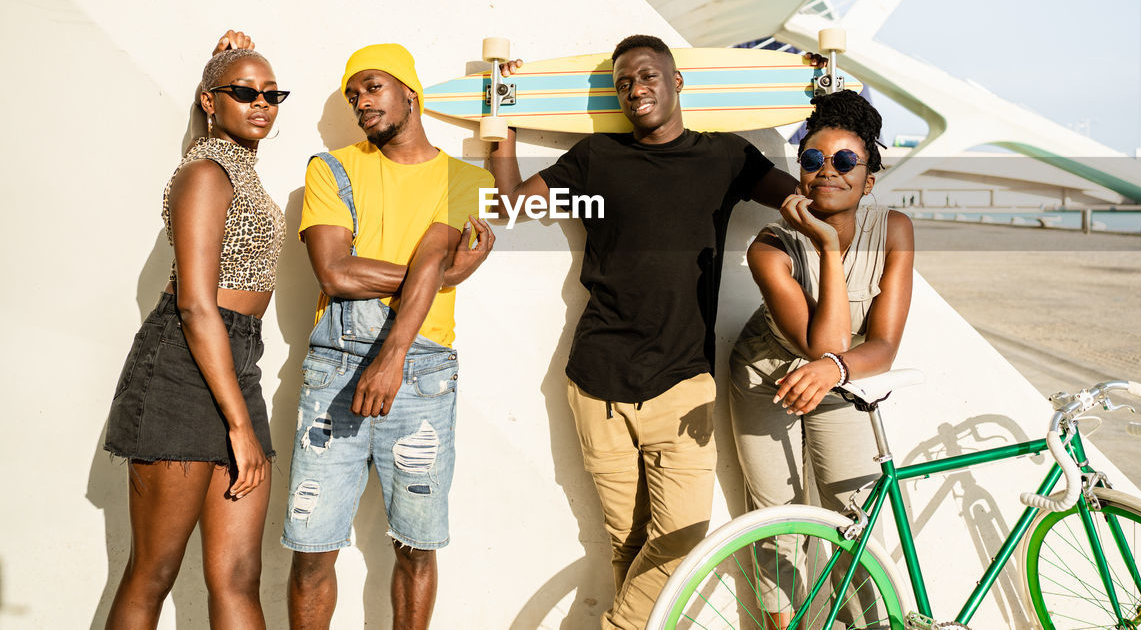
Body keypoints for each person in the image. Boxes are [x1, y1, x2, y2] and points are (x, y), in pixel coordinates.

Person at [488, 34, 799, 630]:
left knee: (681, 542)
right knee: (627, 545)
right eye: (623, 83)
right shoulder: (596, 159)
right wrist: (502, 118)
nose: (635, 90)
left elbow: (804, 204)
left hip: (684, 386)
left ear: (677, 81)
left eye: (648, 76)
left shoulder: (725, 157)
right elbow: (510, 208)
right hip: (597, 384)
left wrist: (830, 143)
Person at [282, 42, 495, 630]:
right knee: (311, 546)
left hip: (422, 375)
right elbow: (334, 271)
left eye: (372, 87)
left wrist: (393, 355)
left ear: (410, 92)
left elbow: (427, 252)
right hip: (336, 366)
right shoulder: (331, 168)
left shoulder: (465, 177)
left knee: (416, 546)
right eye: (353, 95)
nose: (361, 103)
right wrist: (447, 277)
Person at [103, 30, 286, 629]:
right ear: (211, 101)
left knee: (237, 578)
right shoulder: (204, 174)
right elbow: (195, 306)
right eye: (243, 92)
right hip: (182, 367)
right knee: (153, 571)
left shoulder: (237, 169)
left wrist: (224, 63)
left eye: (271, 94)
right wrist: (240, 424)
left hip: (239, 359)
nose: (261, 103)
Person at [729, 90, 914, 629]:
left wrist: (836, 369)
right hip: (767, 377)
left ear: (869, 180)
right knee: (778, 524)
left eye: (845, 161)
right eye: (812, 161)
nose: (826, 171)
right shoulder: (769, 246)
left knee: (851, 521)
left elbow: (882, 345)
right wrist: (827, 247)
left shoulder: (894, 230)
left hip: (843, 378)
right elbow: (823, 341)